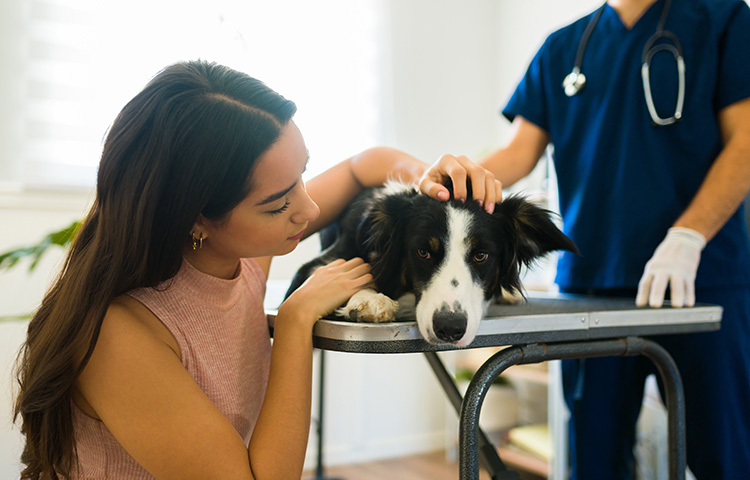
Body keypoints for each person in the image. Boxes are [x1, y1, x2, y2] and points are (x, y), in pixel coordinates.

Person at [12, 60, 501, 480]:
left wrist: (430, 179)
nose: (309, 210)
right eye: (276, 204)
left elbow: (362, 166)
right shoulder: (120, 335)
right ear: (196, 219)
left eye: (303, 174)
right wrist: (295, 321)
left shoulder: (238, 258)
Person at [421, 0, 750, 478]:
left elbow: (745, 141)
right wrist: (454, 177)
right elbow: (518, 152)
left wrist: (688, 236)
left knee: (723, 456)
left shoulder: (723, 20)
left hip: (700, 277)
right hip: (591, 282)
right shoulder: (564, 48)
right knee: (592, 459)